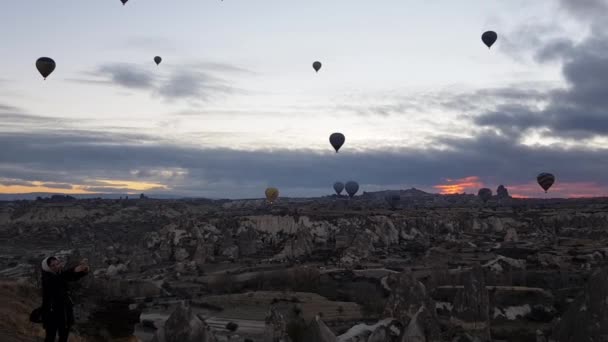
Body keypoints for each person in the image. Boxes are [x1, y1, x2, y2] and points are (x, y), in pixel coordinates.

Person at [41, 256, 90, 342]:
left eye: (57, 264)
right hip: (51, 313)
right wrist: (75, 269)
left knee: (63, 337)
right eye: (53, 265)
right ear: (47, 268)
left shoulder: (59, 274)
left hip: (65, 312)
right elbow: (61, 278)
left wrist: (83, 271)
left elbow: (71, 277)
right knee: (50, 337)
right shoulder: (46, 278)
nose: (56, 266)